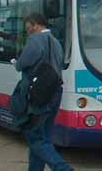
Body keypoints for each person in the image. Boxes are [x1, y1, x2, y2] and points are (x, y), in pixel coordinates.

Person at [10, 13, 72, 171]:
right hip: (55, 91)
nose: (26, 29)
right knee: (44, 136)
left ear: (35, 24)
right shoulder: (56, 42)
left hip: (39, 95)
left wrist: (16, 63)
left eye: (27, 25)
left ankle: (63, 168)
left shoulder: (35, 40)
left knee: (34, 136)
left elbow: (23, 63)